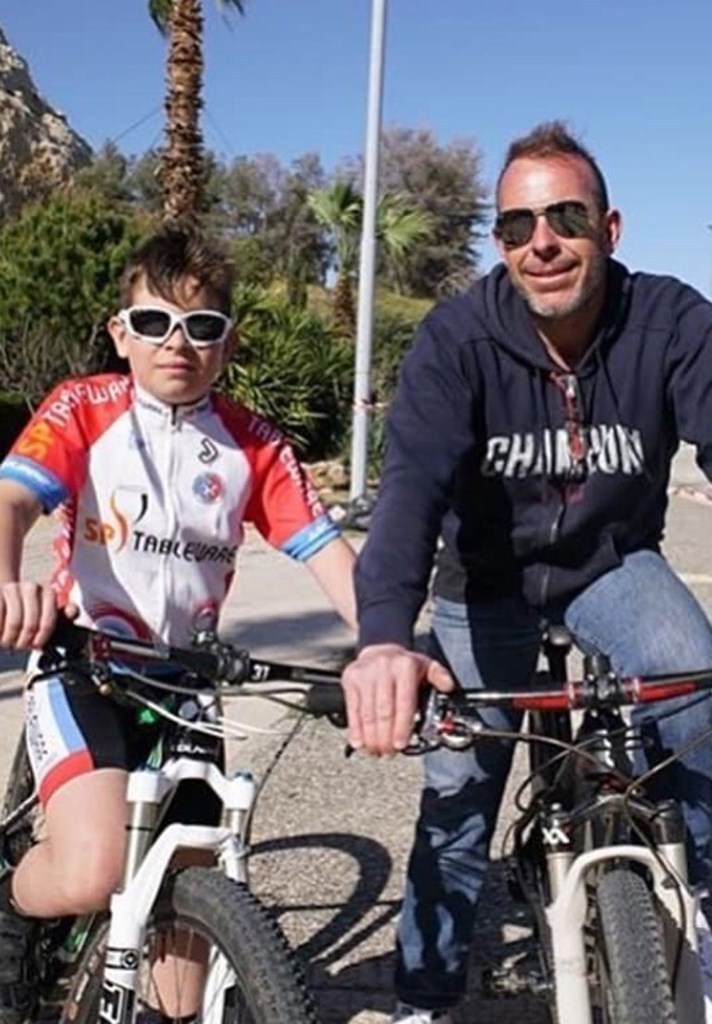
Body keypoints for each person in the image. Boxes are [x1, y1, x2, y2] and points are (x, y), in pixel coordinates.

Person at [341, 119, 712, 1024]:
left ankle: (696, 908)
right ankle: (424, 1000)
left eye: (566, 218)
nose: (541, 243)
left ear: (609, 229)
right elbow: (409, 494)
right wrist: (383, 640)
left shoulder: (672, 320)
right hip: (485, 584)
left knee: (696, 693)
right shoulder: (456, 339)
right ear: (500, 244)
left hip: (612, 566)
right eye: (517, 226)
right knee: (460, 792)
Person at [0, 222, 357, 1022]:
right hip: (83, 663)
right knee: (93, 871)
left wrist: (391, 647)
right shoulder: (85, 407)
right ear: (121, 333)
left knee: (181, 994)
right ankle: (11, 902)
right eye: (154, 321)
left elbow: (330, 556)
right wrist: (5, 579)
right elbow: (12, 497)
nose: (177, 342)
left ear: (227, 342)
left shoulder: (253, 443)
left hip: (188, 684)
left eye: (202, 325)